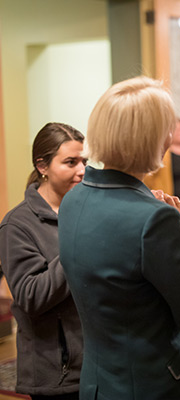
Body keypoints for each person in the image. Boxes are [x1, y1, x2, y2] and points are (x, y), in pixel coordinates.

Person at [58, 76, 180, 400]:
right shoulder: (155, 219)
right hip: (152, 386)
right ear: (156, 140)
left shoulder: (73, 201)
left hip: (97, 382)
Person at [0, 122, 85, 399]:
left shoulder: (86, 210)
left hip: (97, 365)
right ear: (43, 166)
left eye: (84, 161)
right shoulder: (17, 225)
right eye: (70, 162)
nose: (81, 171)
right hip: (54, 375)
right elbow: (31, 296)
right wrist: (78, 243)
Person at [144, 118, 180, 230]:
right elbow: (149, 178)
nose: (179, 132)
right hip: (171, 205)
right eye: (175, 129)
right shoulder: (162, 153)